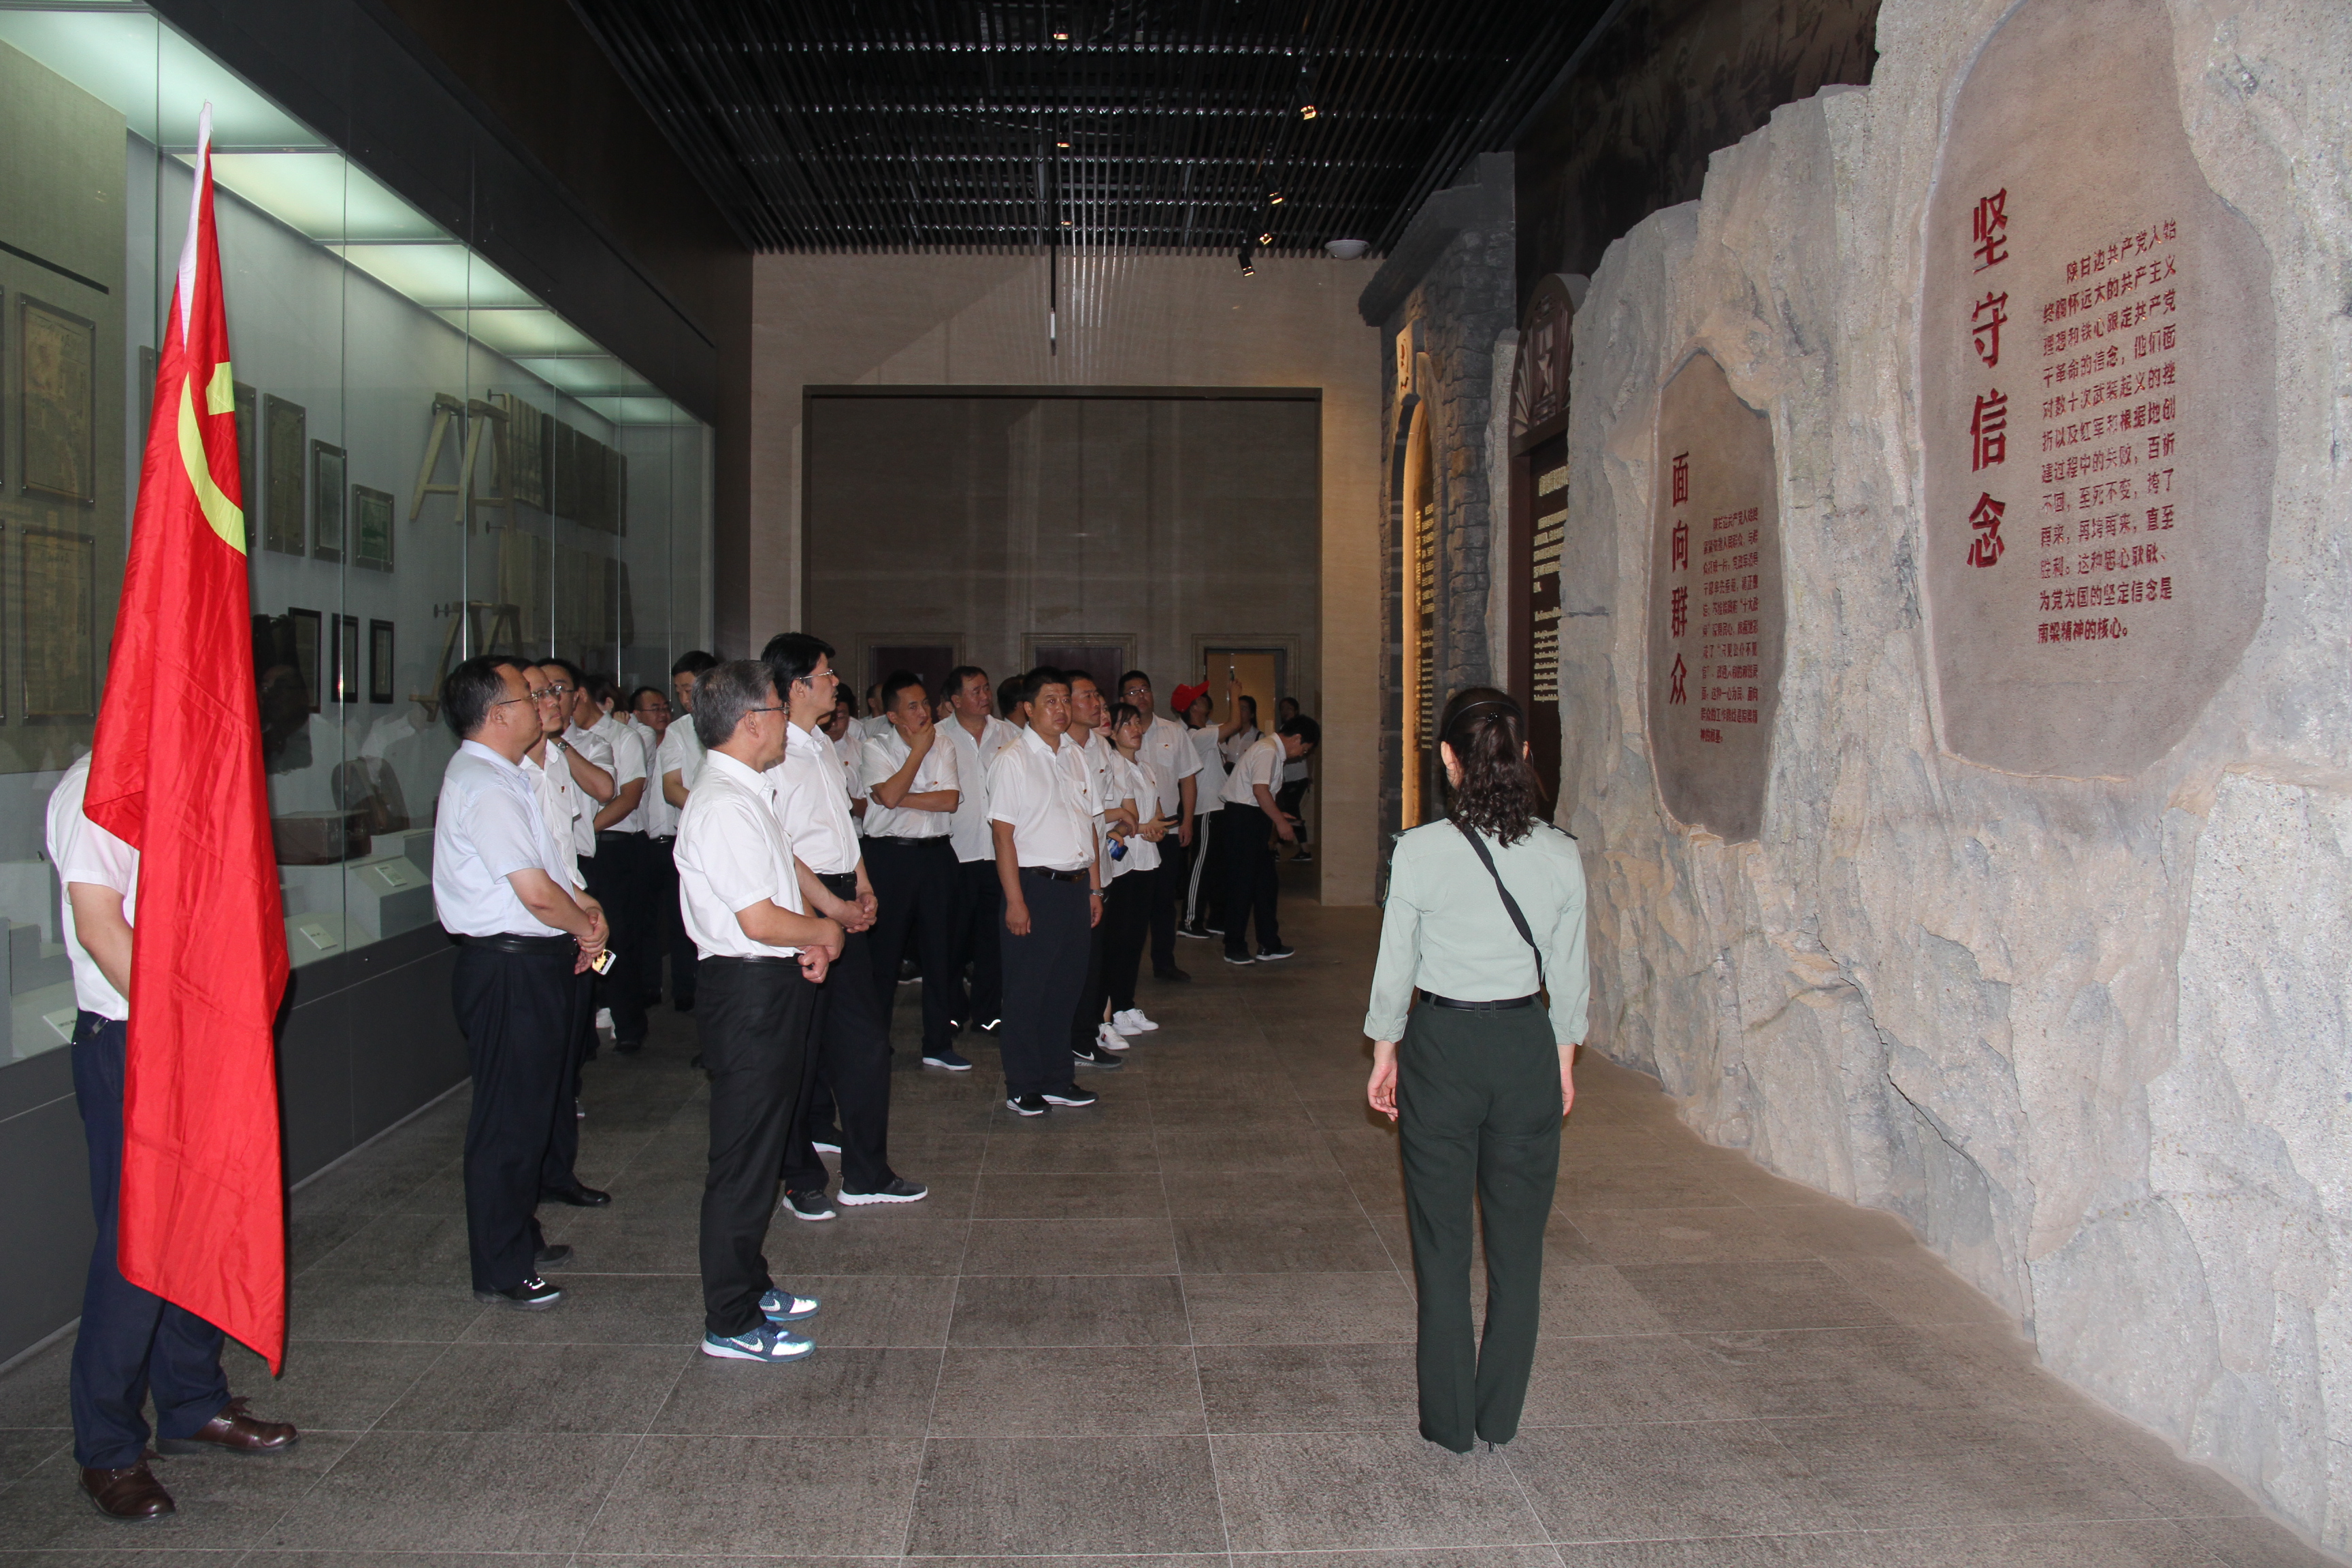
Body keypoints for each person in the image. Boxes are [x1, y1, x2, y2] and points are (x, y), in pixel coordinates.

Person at [47, 752, 299, 1523]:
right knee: (136, 1247)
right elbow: (101, 927)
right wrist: (186, 1025)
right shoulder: (93, 789)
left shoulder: (188, 774)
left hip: (200, 1032)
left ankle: (191, 1401)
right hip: (137, 1038)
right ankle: (107, 1445)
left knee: (201, 1227)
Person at [1363, 687, 1588, 1454]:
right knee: (1519, 1252)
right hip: (1525, 1043)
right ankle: (1499, 1416)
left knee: (1442, 1243)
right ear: (1522, 755)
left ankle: (1449, 1419)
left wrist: (1385, 1050)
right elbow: (1571, 975)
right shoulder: (1561, 854)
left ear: (1449, 761)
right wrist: (1563, 1061)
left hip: (1443, 1045)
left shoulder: (1420, 851)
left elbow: (1396, 966)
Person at [676, 660, 843, 1363]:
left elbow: (773, 894)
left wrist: (806, 940)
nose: (785, 721)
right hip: (746, 992)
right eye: (778, 708)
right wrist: (822, 931)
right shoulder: (723, 802)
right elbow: (758, 920)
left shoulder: (746, 790)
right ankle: (731, 1320)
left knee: (763, 1148)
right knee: (743, 1161)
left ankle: (751, 1283)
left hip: (767, 983)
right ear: (752, 722)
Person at [431, 655, 609, 1312]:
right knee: (508, 1120)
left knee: (531, 1110)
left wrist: (587, 910)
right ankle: (501, 1265)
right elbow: (534, 893)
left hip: (531, 960)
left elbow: (550, 871)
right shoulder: (484, 783)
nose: (541, 706)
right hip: (507, 967)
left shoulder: (505, 776)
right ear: (497, 714)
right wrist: (585, 931)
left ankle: (518, 1236)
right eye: (526, 698)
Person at [763, 633, 929, 1215]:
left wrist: (862, 885)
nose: (837, 683)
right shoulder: (772, 751)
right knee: (800, 1053)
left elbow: (842, 828)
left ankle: (866, 1172)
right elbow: (778, 848)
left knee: (865, 1046)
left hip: (842, 895)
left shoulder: (822, 745)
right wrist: (830, 909)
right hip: (800, 905)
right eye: (826, 674)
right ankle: (798, 1178)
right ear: (796, 687)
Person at [987, 667, 1103, 1115]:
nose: (1061, 709)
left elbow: (1089, 827)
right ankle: (1023, 1084)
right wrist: (1016, 901)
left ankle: (1057, 1078)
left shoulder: (1075, 755)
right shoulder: (1013, 759)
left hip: (1075, 887)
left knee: (1066, 988)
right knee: (1027, 991)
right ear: (1028, 709)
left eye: (1065, 700)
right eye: (1050, 701)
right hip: (1034, 887)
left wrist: (1094, 889)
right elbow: (1003, 837)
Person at [523, 664, 610, 1209]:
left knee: (565, 1060)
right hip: (534, 931)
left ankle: (558, 1171)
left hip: (574, 917)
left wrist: (590, 917)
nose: (554, 701)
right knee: (530, 1075)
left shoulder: (556, 758)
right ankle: (529, 1184)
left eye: (559, 691)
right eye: (539, 693)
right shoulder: (506, 773)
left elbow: (566, 853)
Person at [859, 670, 969, 1072]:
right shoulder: (874, 747)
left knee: (940, 952)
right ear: (892, 716)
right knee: (884, 954)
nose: (923, 712)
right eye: (912, 706)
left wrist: (899, 796)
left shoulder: (946, 744)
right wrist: (918, 753)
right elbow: (887, 795)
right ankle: (873, 1044)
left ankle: (938, 1044)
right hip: (890, 857)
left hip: (937, 855)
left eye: (925, 703)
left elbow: (949, 800)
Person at [940, 665, 1016, 1039]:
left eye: (987, 689)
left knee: (993, 939)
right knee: (952, 939)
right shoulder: (937, 737)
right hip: (957, 852)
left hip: (999, 854)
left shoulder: (1010, 735)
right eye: (975, 691)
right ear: (955, 700)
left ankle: (989, 1012)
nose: (985, 696)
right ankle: (951, 1010)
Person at [580, 673, 651, 1053]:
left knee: (619, 936)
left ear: (580, 695)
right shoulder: (561, 742)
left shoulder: (623, 737)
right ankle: (594, 1012)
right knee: (587, 935)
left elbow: (629, 797)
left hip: (613, 847)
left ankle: (628, 1023)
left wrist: (583, 831)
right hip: (578, 852)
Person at [1113, 670, 1201, 981]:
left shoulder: (1174, 732)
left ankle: (1164, 963)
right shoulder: (1112, 743)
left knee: (1164, 901)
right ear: (1122, 699)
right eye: (1133, 691)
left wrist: (1187, 820)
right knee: (1128, 907)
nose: (1141, 695)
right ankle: (1123, 971)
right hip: (1127, 837)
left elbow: (1187, 779)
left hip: (1165, 831)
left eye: (1145, 689)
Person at [1062, 672, 1128, 1071]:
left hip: (1100, 870)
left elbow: (1107, 810)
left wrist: (1121, 825)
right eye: (1086, 696)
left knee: (1096, 961)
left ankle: (1085, 1036)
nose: (1096, 704)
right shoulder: (1058, 749)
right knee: (1072, 964)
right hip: (1069, 872)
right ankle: (1069, 1039)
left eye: (1096, 696)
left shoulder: (1101, 746)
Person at [1220, 711, 1316, 965]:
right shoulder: (1268, 750)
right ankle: (1234, 947)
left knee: (1265, 885)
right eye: (1305, 749)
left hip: (1251, 817)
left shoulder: (1269, 750)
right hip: (1243, 821)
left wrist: (1278, 814)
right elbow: (1260, 791)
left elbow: (1259, 795)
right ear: (1297, 738)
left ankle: (1269, 943)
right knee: (1242, 886)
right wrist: (1281, 823)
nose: (1302, 754)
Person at [1098, 702, 1169, 1039]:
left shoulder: (1146, 767)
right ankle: (1112, 1009)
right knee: (1118, 938)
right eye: (1127, 724)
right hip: (1121, 863)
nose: (1136, 730)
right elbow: (1115, 818)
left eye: (1138, 723)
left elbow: (1158, 813)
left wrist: (1158, 830)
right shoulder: (1111, 765)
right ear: (1112, 732)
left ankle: (1127, 1004)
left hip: (1148, 859)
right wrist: (1144, 828)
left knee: (1136, 937)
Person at [659, 651, 719, 1013]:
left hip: (734, 838)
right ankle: (689, 992)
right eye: (678, 691)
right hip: (696, 837)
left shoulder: (738, 719)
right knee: (693, 919)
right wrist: (713, 813)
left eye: (689, 689)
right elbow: (672, 788)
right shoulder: (678, 731)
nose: (684, 699)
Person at [1176, 679, 1247, 938]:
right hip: (1205, 810)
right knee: (1201, 866)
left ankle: (1217, 918)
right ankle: (1189, 921)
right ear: (1193, 707)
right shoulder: (1196, 736)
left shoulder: (1205, 732)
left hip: (1217, 809)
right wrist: (1234, 695)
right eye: (1200, 697)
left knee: (1218, 868)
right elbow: (1235, 724)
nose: (1206, 699)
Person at [1275, 696, 1315, 862]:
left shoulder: (1301, 729)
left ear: (1296, 711)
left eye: (1289, 708)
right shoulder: (1283, 729)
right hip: (1286, 778)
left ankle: (1284, 849)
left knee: (1291, 811)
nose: (1285, 712)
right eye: (1283, 709)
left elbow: (1310, 755)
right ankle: (1300, 849)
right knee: (1289, 811)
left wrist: (1309, 775)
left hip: (1298, 777)